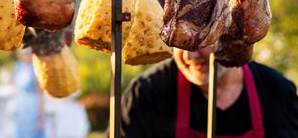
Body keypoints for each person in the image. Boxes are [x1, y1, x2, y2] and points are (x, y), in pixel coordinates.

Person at [120, 46, 298, 137]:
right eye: (180, 42)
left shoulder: (277, 92)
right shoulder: (147, 94)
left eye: (200, 40)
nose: (190, 56)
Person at [13, 48, 46, 138]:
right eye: (24, 53)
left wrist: (41, 119)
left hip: (33, 106)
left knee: (32, 133)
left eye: (28, 53)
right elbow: (16, 88)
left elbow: (40, 94)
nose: (26, 56)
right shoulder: (18, 67)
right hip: (21, 106)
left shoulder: (36, 69)